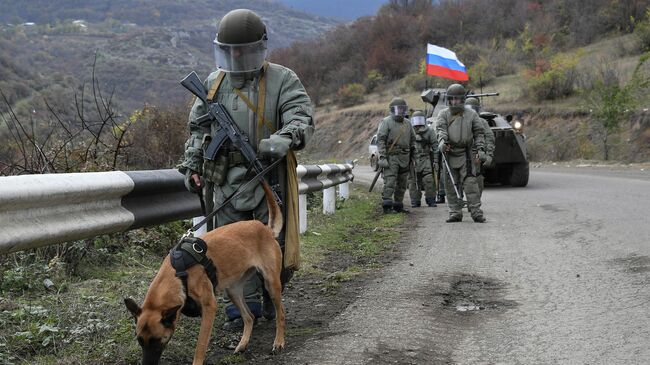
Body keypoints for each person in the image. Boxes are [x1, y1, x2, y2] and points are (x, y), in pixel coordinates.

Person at [178, 9, 315, 330]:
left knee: (273, 245)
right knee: (226, 249)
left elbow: (301, 116)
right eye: (229, 50)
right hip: (224, 180)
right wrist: (193, 165)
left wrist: (285, 137)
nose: (236, 56)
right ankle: (241, 310)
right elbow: (198, 130)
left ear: (258, 48)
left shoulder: (284, 80)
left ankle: (271, 294)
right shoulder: (212, 84)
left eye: (241, 49)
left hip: (269, 177)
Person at [435, 84, 486, 223]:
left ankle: (476, 212)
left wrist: (480, 149)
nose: (454, 102)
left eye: (457, 99)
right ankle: (455, 212)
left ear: (462, 100)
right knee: (450, 185)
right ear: (448, 100)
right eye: (452, 99)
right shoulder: (443, 114)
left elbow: (479, 133)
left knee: (470, 183)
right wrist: (442, 142)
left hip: (467, 154)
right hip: (449, 152)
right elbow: (440, 129)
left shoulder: (471, 114)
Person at [376, 97, 416, 214]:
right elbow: (381, 140)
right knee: (390, 182)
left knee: (402, 183)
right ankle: (387, 205)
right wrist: (382, 157)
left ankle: (398, 205)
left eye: (402, 109)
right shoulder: (386, 122)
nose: (400, 112)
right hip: (391, 157)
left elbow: (413, 140)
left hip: (405, 157)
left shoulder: (408, 123)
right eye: (398, 109)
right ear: (392, 110)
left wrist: (414, 154)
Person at [465, 97, 495, 196]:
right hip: (461, 154)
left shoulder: (482, 122)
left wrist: (488, 155)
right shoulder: (460, 121)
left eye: (474, 109)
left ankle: (474, 203)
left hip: (476, 154)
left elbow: (489, 138)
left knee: (477, 178)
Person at [408, 110, 438, 208]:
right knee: (413, 181)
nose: (418, 122)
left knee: (428, 180)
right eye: (416, 120)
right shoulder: (408, 131)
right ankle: (415, 200)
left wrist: (436, 161)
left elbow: (435, 146)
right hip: (413, 160)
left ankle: (431, 199)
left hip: (425, 158)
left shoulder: (429, 131)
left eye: (420, 119)